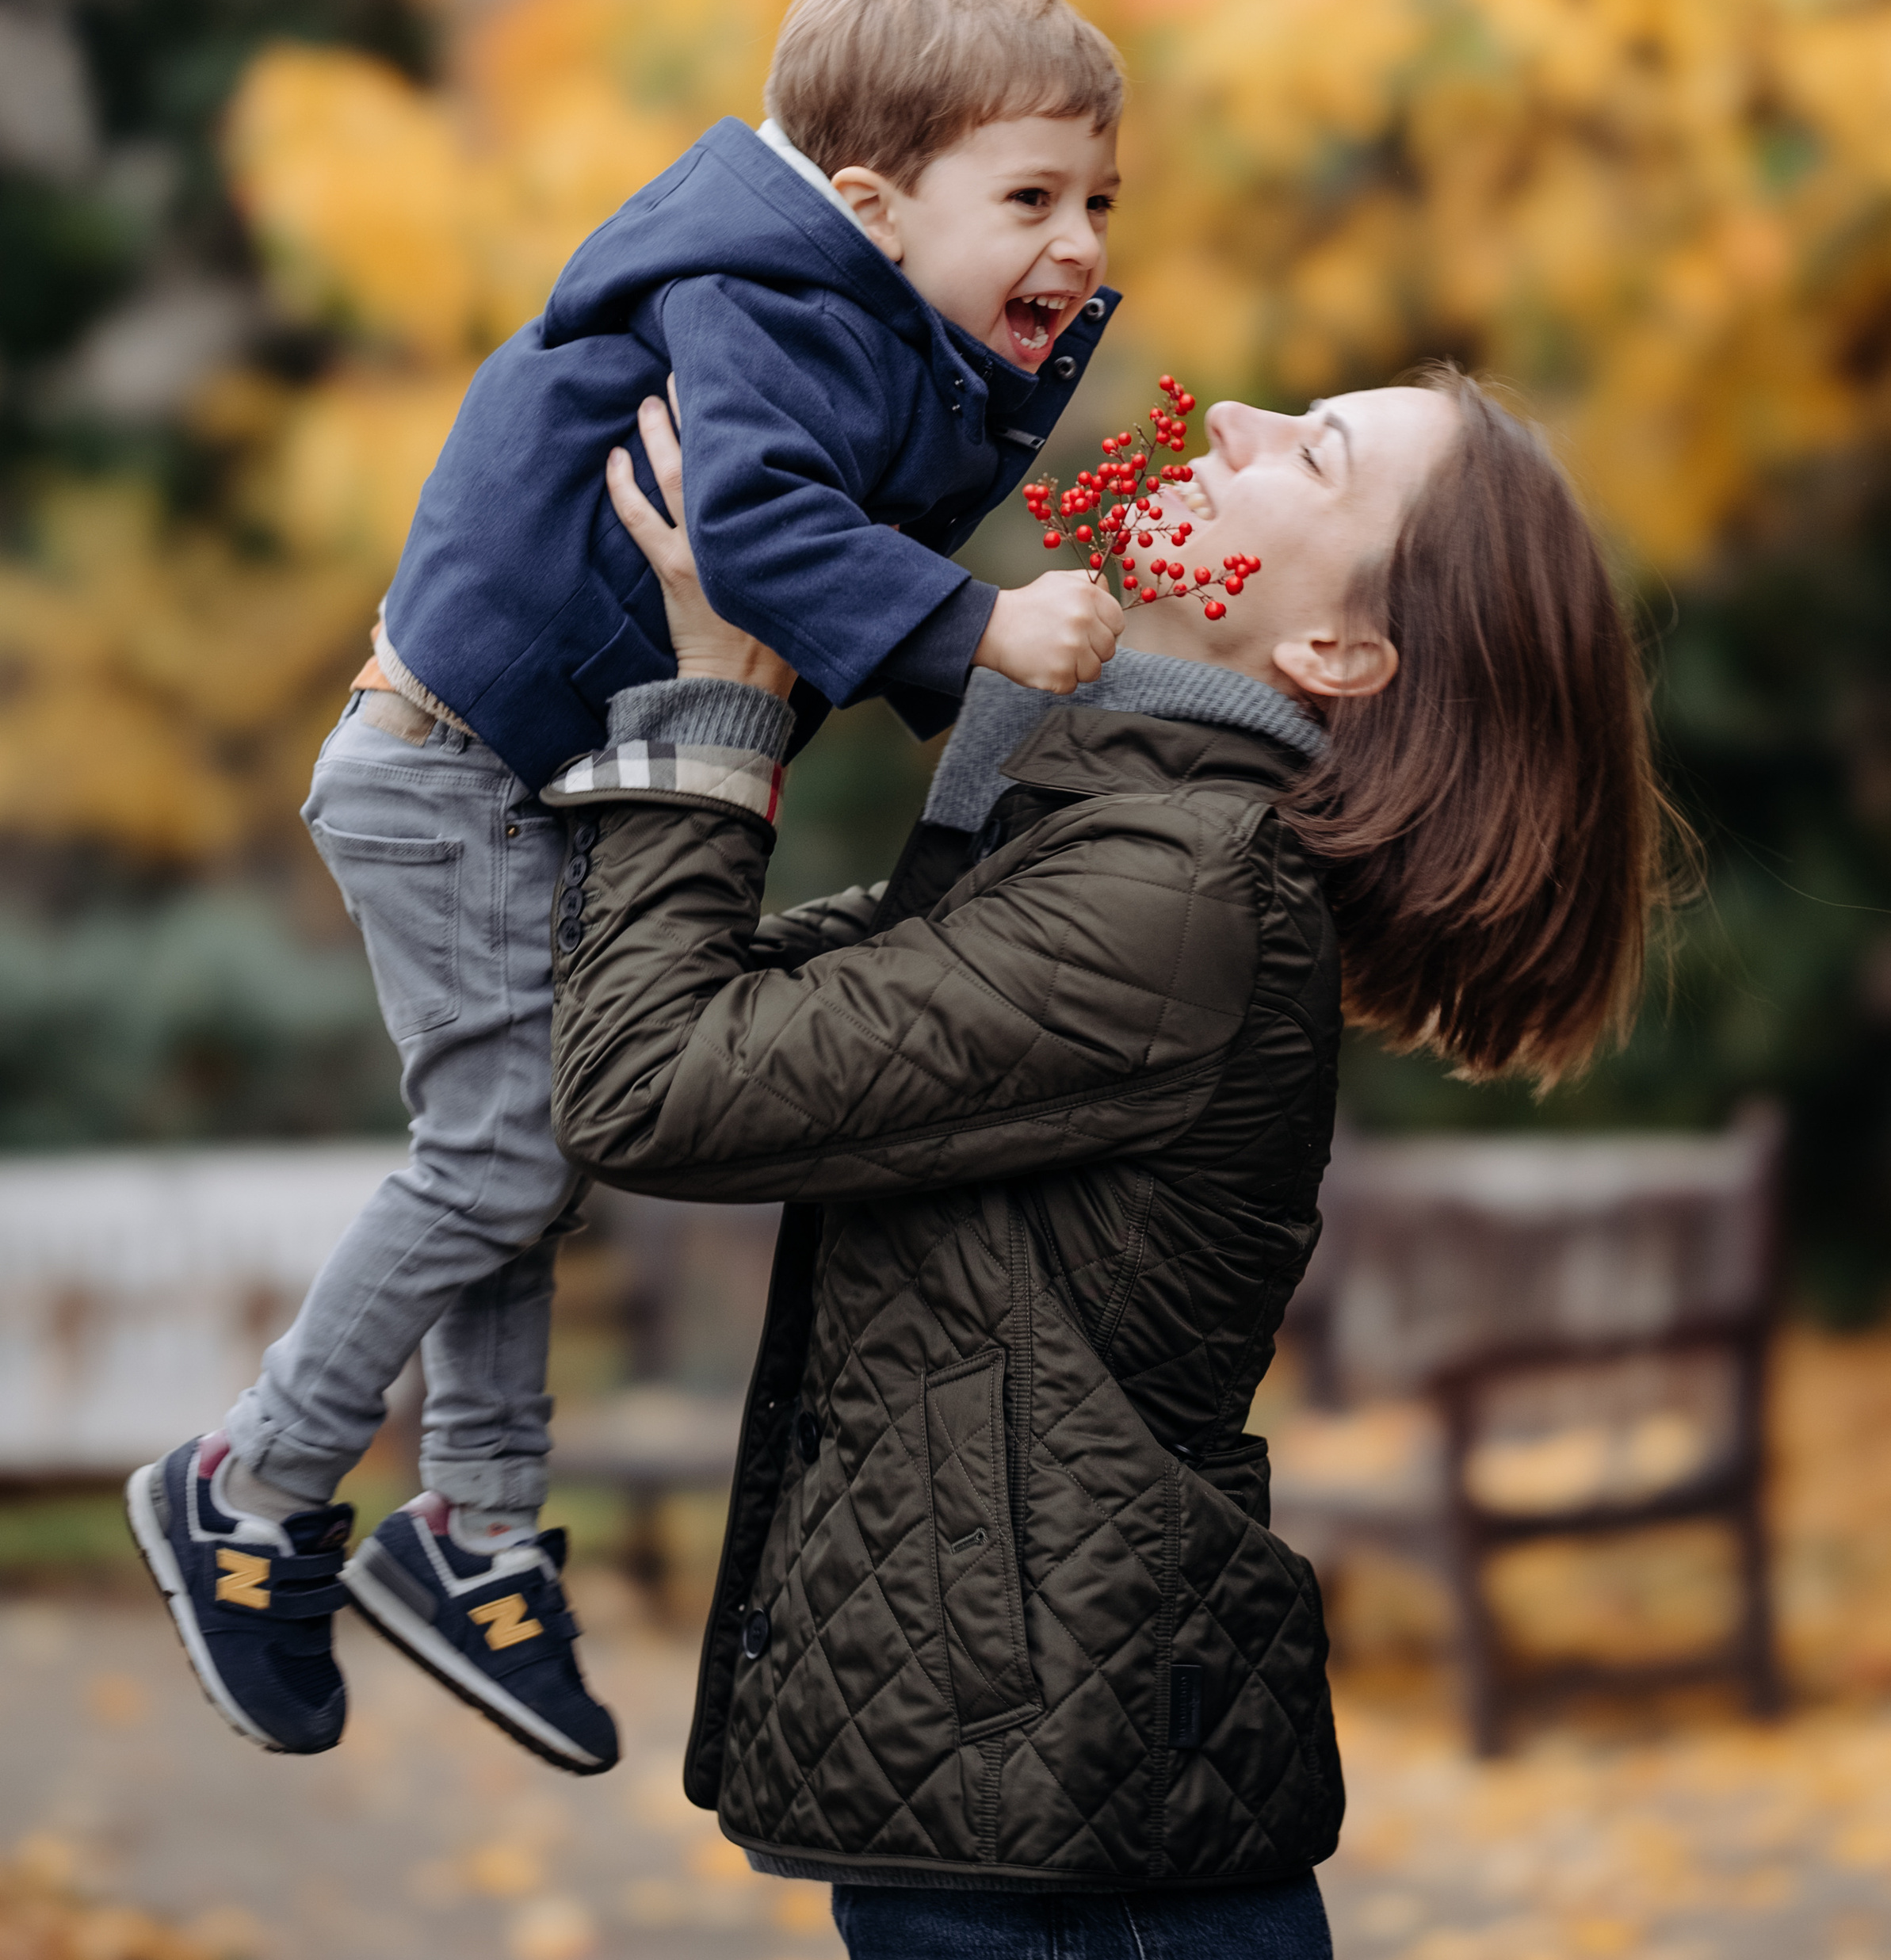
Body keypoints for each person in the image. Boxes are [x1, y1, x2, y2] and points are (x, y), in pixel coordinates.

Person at [127, 0, 1131, 1775]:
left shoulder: (861, 316)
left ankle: (477, 1531)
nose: (1073, 243)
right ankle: (248, 1480)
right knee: (510, 1144)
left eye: (1095, 203)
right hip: (452, 772)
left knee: (523, 1138)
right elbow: (751, 529)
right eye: (1032, 198)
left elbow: (851, 500)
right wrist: (983, 630)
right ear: (872, 200)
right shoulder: (759, 290)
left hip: (519, 775)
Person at [541, 369, 1664, 1954]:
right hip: (1048, 1802)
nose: (1229, 426)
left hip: (1080, 1848)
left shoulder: (1175, 895)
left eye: (1310, 451)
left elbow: (650, 1079)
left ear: (1331, 652)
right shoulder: (1090, 842)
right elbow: (660, 1014)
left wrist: (720, 699)